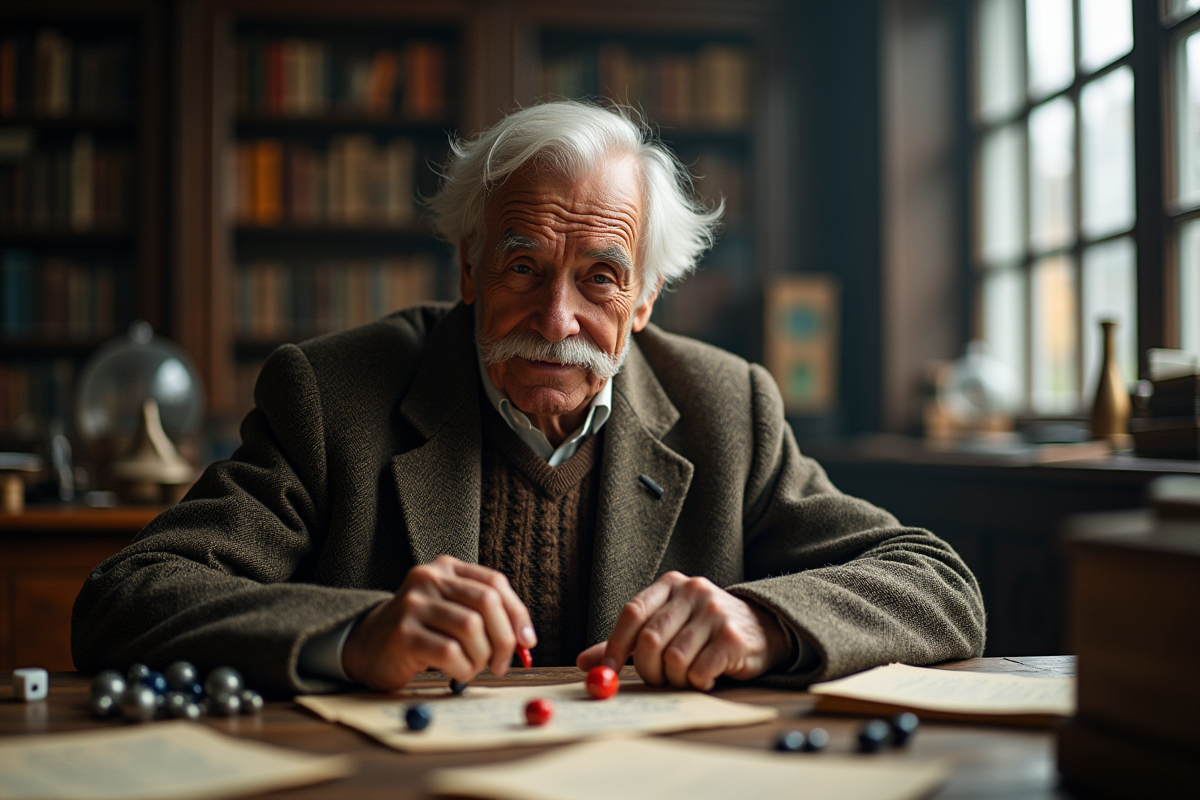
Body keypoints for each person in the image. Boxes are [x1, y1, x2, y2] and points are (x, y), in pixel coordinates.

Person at [72, 102, 985, 695]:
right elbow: (127, 599)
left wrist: (764, 623)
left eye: (600, 277)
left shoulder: (726, 405)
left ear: (645, 300)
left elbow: (940, 586)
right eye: (523, 266)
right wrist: (354, 635)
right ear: (469, 266)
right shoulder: (332, 394)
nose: (558, 316)